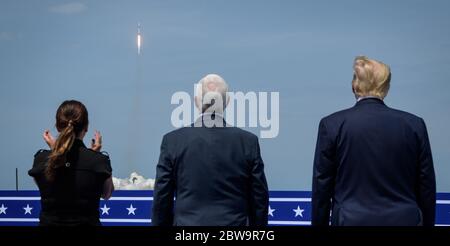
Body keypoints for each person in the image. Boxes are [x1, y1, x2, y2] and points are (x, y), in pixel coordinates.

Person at [311, 56, 436, 226]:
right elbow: (426, 188)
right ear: (386, 87)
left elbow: (322, 189)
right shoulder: (414, 125)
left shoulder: (332, 125)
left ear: (354, 85)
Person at [152, 74, 269, 226]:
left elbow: (162, 199)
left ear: (196, 102)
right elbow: (259, 199)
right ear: (226, 102)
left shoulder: (172, 141)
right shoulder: (248, 142)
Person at [28, 100, 114, 226]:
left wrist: (55, 150)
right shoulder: (99, 161)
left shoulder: (41, 159)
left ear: (57, 126)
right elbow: (107, 194)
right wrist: (97, 157)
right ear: (86, 127)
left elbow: (43, 184)